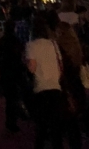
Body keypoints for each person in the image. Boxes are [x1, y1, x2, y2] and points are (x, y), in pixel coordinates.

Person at [25, 14, 65, 149]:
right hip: (55, 87)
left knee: (41, 128)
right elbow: (61, 65)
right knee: (56, 129)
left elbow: (32, 68)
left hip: (41, 88)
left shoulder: (31, 46)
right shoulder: (53, 44)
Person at [0, 18, 29, 134]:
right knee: (15, 96)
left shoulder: (2, 41)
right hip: (15, 71)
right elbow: (20, 56)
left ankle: (12, 120)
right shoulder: (16, 41)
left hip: (5, 71)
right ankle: (14, 120)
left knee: (10, 98)